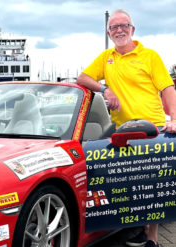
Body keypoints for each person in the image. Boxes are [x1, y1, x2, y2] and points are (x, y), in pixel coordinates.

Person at [76, 9, 176, 247]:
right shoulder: (106, 57)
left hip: (152, 126)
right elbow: (82, 78)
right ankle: (136, 227)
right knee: (124, 177)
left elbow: (167, 88)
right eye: (114, 27)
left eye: (124, 26)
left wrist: (173, 118)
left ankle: (151, 238)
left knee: (151, 182)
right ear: (109, 33)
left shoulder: (149, 56)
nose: (119, 30)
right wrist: (105, 90)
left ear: (132, 29)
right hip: (123, 129)